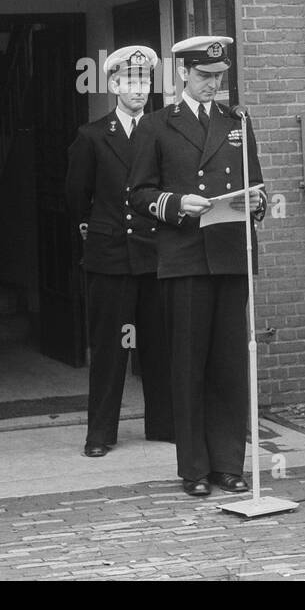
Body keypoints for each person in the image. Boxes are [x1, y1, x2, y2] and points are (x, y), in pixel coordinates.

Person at [129, 35, 264, 498]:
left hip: (230, 253)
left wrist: (257, 201)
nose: (212, 85)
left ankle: (229, 463)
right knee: (189, 364)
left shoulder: (238, 121)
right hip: (185, 256)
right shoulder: (156, 125)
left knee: (229, 364)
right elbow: (139, 193)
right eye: (204, 77)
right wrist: (175, 203)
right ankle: (195, 469)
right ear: (183, 73)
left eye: (218, 78)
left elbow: (256, 184)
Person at [66, 45, 173, 458]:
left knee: (158, 343)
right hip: (110, 254)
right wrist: (95, 230)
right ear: (112, 85)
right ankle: (100, 433)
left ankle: (164, 424)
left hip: (153, 251)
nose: (139, 89)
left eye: (145, 81)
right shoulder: (92, 135)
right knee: (110, 347)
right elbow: (76, 195)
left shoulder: (162, 131)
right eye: (130, 81)